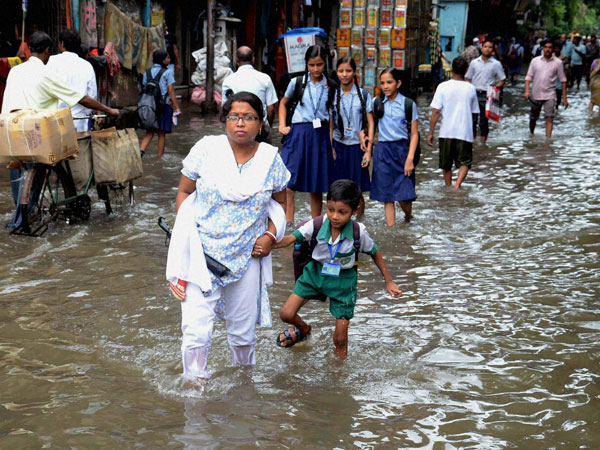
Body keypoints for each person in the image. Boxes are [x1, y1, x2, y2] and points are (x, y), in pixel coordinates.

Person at [167, 91, 290, 380]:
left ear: (261, 124)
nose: (240, 123)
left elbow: (281, 204)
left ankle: (242, 388)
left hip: (247, 256)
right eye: (234, 116)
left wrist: (270, 237)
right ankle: (194, 394)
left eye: (249, 117)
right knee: (195, 331)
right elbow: (185, 192)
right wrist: (187, 238)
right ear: (225, 120)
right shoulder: (206, 149)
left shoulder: (270, 160)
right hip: (202, 255)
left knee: (243, 333)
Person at [271, 179, 402, 359]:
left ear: (355, 211)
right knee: (286, 313)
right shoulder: (316, 224)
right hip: (315, 274)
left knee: (340, 338)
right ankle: (304, 328)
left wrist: (389, 281)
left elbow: (375, 252)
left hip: (343, 282)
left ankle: (339, 375)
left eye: (342, 212)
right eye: (331, 209)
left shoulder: (358, 232)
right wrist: (269, 242)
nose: (335, 216)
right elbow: (290, 239)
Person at [1, 31, 119, 226]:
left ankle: (21, 213)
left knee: (17, 169)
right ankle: (26, 213)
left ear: (29, 49)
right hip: (37, 133)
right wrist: (109, 110)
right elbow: (82, 98)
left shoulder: (15, 70)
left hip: (9, 131)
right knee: (38, 166)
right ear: (48, 50)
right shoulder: (46, 73)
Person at [278, 45, 336, 224]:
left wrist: (332, 144)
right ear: (306, 64)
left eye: (319, 64)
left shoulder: (331, 86)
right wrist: (282, 125)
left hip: (320, 135)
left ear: (325, 63)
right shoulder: (297, 83)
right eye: (312, 65)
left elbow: (332, 116)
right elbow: (283, 103)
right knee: (289, 179)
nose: (316, 69)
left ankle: (316, 224)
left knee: (316, 183)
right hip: (298, 133)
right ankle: (287, 223)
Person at [370, 68, 418, 224]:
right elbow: (369, 124)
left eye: (389, 82)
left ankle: (408, 217)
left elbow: (415, 134)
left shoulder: (408, 104)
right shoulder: (376, 102)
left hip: (402, 151)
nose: (385, 86)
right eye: (382, 83)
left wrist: (410, 158)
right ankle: (392, 230)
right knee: (387, 196)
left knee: (405, 195)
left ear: (398, 83)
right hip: (382, 151)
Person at [427, 57, 479, 190]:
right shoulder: (471, 89)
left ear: (451, 69)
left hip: (446, 132)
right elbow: (474, 113)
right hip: (465, 132)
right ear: (466, 71)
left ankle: (448, 185)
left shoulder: (442, 87)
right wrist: (474, 131)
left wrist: (431, 132)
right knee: (465, 162)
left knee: (446, 164)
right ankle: (457, 185)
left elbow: (436, 111)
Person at [330, 56, 374, 215]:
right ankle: (339, 220)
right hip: (339, 145)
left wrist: (369, 151)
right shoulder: (333, 94)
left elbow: (370, 122)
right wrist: (331, 148)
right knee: (337, 188)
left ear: (355, 72)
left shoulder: (363, 94)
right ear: (337, 72)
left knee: (358, 189)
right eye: (341, 71)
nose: (344, 74)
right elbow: (330, 123)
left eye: (348, 70)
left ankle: (360, 223)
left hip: (358, 147)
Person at [221, 46, 278, 142]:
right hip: (260, 128)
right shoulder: (265, 78)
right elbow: (271, 109)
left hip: (238, 130)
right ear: (253, 59)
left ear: (236, 60)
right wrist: (266, 126)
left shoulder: (228, 81)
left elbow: (225, 110)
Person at [46, 29, 97, 132]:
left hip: (53, 122)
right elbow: (92, 96)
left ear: (62, 44)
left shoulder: (50, 62)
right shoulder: (86, 66)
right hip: (79, 123)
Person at [139, 49, 181, 158]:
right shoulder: (167, 72)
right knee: (161, 133)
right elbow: (171, 91)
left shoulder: (147, 72)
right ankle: (159, 158)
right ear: (163, 60)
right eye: (167, 58)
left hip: (149, 106)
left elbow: (144, 88)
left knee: (150, 132)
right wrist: (176, 108)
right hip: (163, 106)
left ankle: (140, 152)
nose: (169, 59)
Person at [524, 39, 568, 138]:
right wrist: (526, 91)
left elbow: (563, 80)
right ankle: (531, 134)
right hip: (536, 93)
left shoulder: (558, 62)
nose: (548, 49)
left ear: (553, 49)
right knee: (533, 118)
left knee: (549, 118)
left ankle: (548, 141)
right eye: (546, 47)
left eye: (550, 47)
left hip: (550, 94)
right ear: (542, 48)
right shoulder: (535, 61)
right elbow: (528, 77)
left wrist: (565, 99)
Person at [465, 40, 506, 143]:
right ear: (481, 48)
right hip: (474, 93)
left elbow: (502, 80)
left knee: (484, 121)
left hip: (488, 94)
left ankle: (483, 143)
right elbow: (468, 78)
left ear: (493, 50)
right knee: (472, 120)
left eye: (490, 47)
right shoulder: (474, 63)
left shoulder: (496, 64)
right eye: (485, 46)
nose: (487, 49)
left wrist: (494, 88)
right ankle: (472, 141)